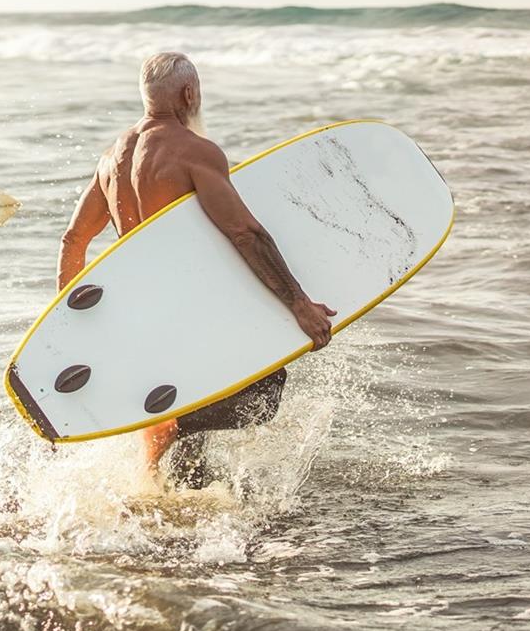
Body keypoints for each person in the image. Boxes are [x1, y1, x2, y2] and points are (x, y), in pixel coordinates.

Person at [55, 52, 335, 477]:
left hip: (141, 312)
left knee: (184, 421)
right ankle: (172, 428)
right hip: (194, 305)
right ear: (189, 94)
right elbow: (245, 233)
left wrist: (70, 324)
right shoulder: (195, 152)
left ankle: (163, 486)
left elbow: (73, 240)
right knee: (264, 394)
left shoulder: (111, 158)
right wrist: (299, 303)